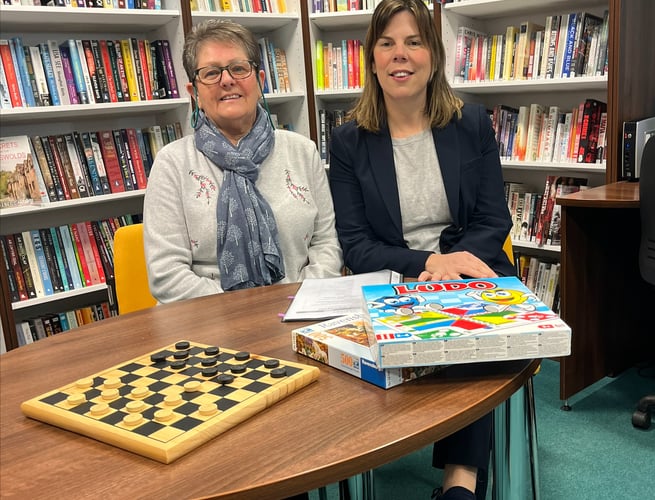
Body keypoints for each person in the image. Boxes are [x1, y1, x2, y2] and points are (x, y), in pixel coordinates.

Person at [327, 0, 515, 499]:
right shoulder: (348, 141)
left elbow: (495, 217)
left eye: (414, 41)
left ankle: (461, 482)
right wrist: (428, 264)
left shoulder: (471, 123)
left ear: (433, 54)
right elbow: (357, 244)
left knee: (473, 333)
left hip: (470, 271)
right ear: (371, 59)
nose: (400, 55)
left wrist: (452, 267)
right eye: (386, 43)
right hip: (398, 278)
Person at [143, 19, 342, 304]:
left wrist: (297, 300)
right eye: (211, 73)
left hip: (298, 310)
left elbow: (326, 246)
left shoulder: (302, 151)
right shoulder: (172, 164)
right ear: (194, 93)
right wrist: (244, 310)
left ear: (260, 81)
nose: (227, 80)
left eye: (238, 68)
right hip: (208, 323)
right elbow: (167, 275)